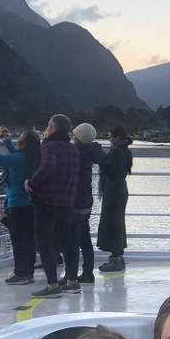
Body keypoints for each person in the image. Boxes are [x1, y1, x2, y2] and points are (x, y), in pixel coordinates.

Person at [25, 114, 80, 298]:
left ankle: (52, 285)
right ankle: (72, 281)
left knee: (45, 242)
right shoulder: (73, 149)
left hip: (47, 201)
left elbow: (48, 167)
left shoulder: (49, 147)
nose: (45, 130)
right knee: (67, 240)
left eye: (48, 127)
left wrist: (31, 183)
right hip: (66, 202)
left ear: (53, 128)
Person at [0, 126, 41, 286]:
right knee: (29, 239)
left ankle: (20, 273)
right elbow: (17, 157)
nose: (18, 140)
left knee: (17, 239)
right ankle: (29, 273)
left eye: (20, 139)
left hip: (17, 203)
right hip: (32, 203)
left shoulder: (18, 159)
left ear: (24, 143)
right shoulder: (34, 158)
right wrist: (8, 143)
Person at [58, 123, 105, 288]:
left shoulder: (78, 155)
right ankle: (87, 273)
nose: (72, 137)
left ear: (80, 138)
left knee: (71, 242)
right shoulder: (87, 154)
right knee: (84, 240)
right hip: (86, 203)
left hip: (75, 203)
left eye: (75, 135)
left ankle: (71, 276)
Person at [96, 126, 133, 272]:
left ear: (116, 138)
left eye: (110, 137)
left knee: (114, 223)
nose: (109, 139)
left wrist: (99, 156)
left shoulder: (116, 152)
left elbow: (108, 168)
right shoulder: (124, 151)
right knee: (116, 222)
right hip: (118, 190)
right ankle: (116, 256)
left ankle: (116, 258)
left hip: (114, 192)